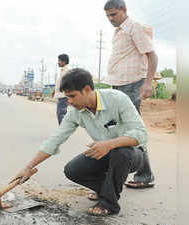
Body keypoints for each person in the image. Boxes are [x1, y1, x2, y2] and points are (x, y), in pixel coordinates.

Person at [11, 68, 147, 216]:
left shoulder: (117, 99)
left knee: (121, 152)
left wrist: (110, 144)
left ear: (87, 89)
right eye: (67, 97)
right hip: (104, 153)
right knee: (73, 170)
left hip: (132, 155)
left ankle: (109, 203)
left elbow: (141, 134)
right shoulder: (75, 112)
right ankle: (108, 189)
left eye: (72, 96)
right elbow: (54, 140)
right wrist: (28, 167)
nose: (69, 101)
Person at [104, 0, 158, 188]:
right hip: (118, 85)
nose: (110, 19)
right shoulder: (119, 31)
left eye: (114, 14)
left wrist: (148, 83)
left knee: (132, 130)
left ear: (124, 10)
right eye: (108, 16)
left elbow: (152, 55)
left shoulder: (134, 27)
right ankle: (130, 172)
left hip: (132, 85)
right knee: (119, 130)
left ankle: (144, 175)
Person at [54, 54, 72, 124]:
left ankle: (62, 132)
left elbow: (68, 83)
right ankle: (62, 131)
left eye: (59, 61)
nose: (58, 62)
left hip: (63, 95)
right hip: (61, 95)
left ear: (63, 62)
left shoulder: (67, 70)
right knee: (61, 113)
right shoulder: (64, 70)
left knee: (61, 114)